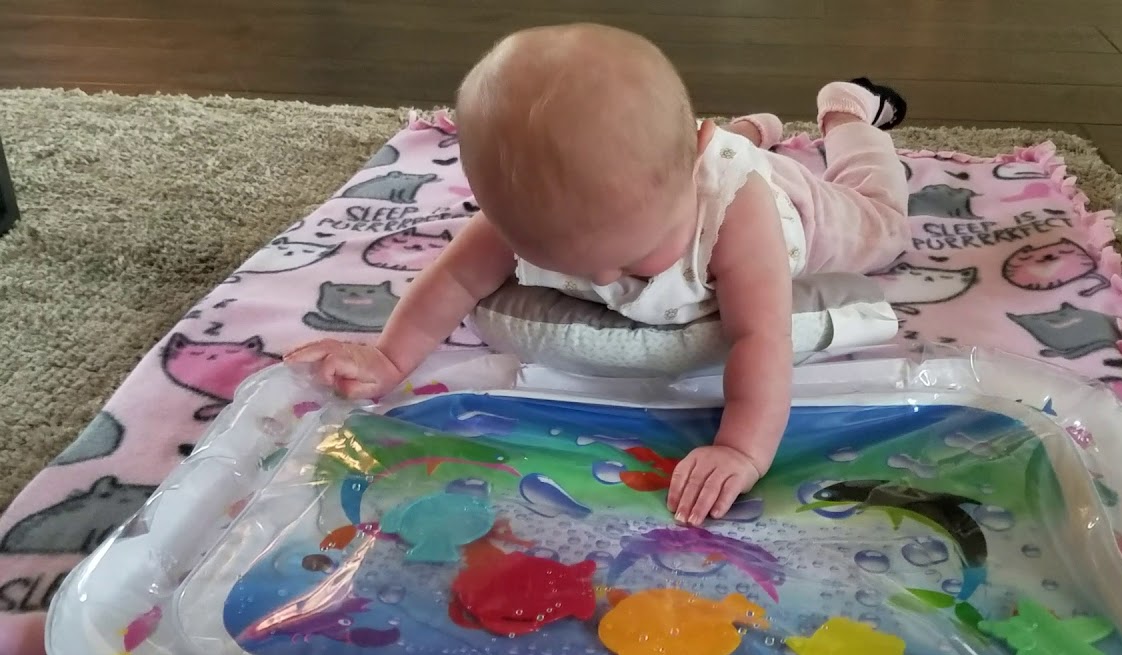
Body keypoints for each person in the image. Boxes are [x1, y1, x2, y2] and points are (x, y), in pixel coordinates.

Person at [287, 23, 910, 527]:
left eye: (632, 261)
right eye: (568, 269)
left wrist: (740, 448)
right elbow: (453, 281)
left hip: (795, 212)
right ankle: (752, 125)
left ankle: (846, 116)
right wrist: (389, 360)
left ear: (692, 168)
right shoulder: (531, 210)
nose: (608, 284)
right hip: (684, 151)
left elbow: (760, 338)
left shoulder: (735, 212)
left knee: (883, 229)